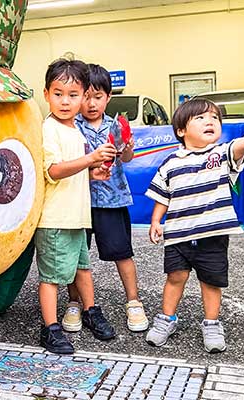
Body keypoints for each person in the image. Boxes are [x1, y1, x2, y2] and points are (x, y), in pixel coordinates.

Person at [145, 98, 244, 353]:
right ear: (181, 130)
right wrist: (156, 221)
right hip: (177, 236)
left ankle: (211, 323)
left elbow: (243, 145)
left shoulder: (220, 155)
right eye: (200, 118)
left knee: (211, 281)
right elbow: (162, 196)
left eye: (214, 118)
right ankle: (166, 319)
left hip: (213, 236)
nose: (209, 121)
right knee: (175, 276)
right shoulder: (170, 163)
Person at [35, 58, 117, 355]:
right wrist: (90, 159)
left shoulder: (75, 131)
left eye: (73, 95)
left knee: (83, 268)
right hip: (55, 218)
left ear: (84, 96)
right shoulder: (49, 129)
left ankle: (91, 311)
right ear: (46, 94)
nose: (65, 101)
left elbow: (73, 170)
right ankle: (50, 328)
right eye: (58, 94)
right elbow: (54, 170)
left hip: (77, 217)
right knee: (52, 277)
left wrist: (94, 173)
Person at [62, 64, 149, 337]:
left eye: (97, 97)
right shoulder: (70, 127)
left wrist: (128, 149)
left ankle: (133, 302)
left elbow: (126, 158)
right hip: (79, 200)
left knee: (122, 253)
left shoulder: (116, 125)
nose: (90, 103)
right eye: (84, 96)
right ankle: (74, 303)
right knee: (77, 256)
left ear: (108, 97)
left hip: (113, 201)